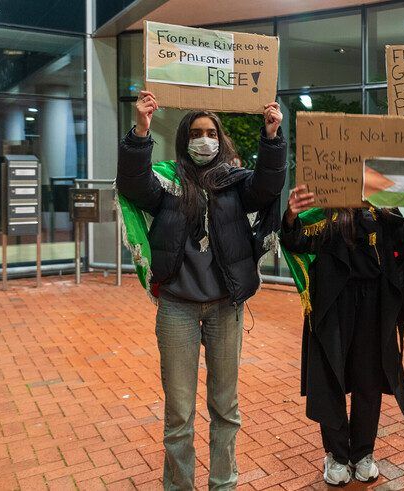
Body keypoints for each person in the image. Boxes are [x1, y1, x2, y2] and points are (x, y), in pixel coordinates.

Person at [116, 91, 287, 489]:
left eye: (211, 132)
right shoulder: (167, 184)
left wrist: (272, 137)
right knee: (179, 413)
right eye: (196, 132)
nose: (204, 139)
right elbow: (133, 182)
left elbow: (267, 186)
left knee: (225, 408)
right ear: (184, 138)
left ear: (221, 138)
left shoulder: (235, 183)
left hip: (225, 308)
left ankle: (223, 484)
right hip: (177, 309)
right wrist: (141, 130)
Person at [280, 188, 404, 486]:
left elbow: (402, 245)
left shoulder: (382, 207)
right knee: (330, 376)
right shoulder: (326, 209)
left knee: (369, 379)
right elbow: (296, 241)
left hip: (374, 303)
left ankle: (363, 452)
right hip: (333, 304)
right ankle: (335, 455)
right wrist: (292, 215)